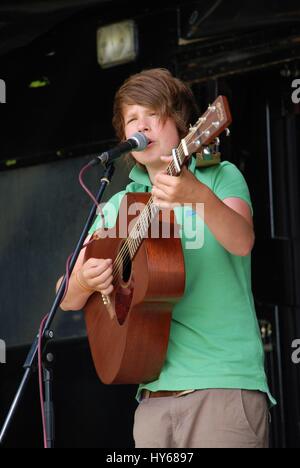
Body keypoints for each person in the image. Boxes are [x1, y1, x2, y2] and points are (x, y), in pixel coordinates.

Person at [57, 68, 275, 448]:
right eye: (132, 119)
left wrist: (197, 197)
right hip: (152, 399)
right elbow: (67, 296)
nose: (142, 126)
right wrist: (85, 280)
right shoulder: (120, 205)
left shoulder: (219, 176)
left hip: (222, 385)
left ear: (181, 123)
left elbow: (243, 240)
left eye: (152, 115)